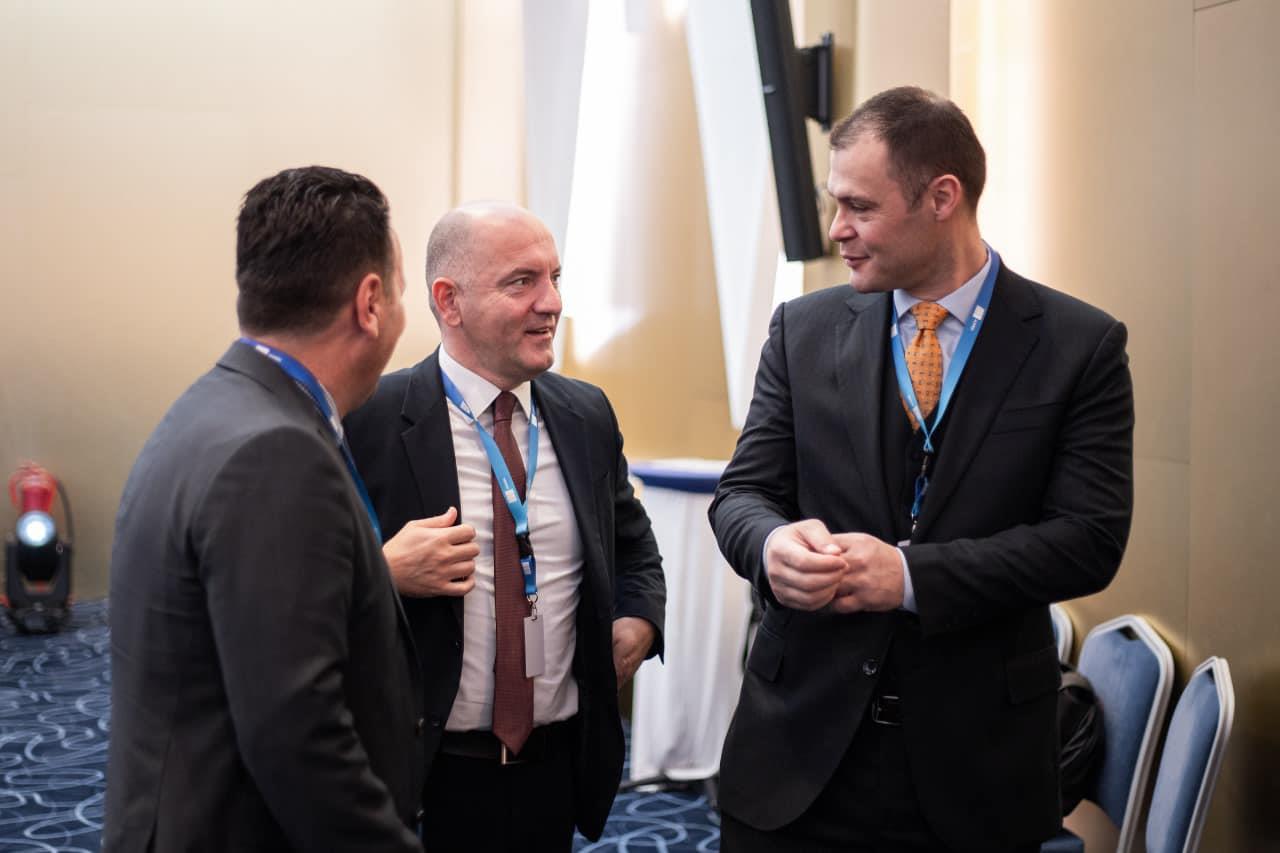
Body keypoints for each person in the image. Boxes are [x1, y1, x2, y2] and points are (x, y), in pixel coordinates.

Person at [710, 87, 1134, 852]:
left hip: (978, 773)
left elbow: (1088, 541)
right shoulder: (801, 329)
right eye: (834, 203)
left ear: (942, 198)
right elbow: (743, 493)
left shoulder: (1081, 346)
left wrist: (908, 577)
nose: (836, 229)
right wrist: (771, 546)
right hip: (795, 760)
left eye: (859, 207)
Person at [104, 166, 424, 852]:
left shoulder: (215, 405)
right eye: (401, 290)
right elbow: (297, 734)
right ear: (370, 303)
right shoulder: (278, 454)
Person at [344, 202, 666, 851]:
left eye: (555, 277)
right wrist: (384, 572)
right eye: (522, 282)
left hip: (554, 767)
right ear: (450, 301)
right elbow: (295, 587)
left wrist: (640, 620)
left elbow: (633, 546)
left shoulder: (586, 415)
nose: (552, 302)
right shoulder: (370, 418)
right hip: (425, 774)